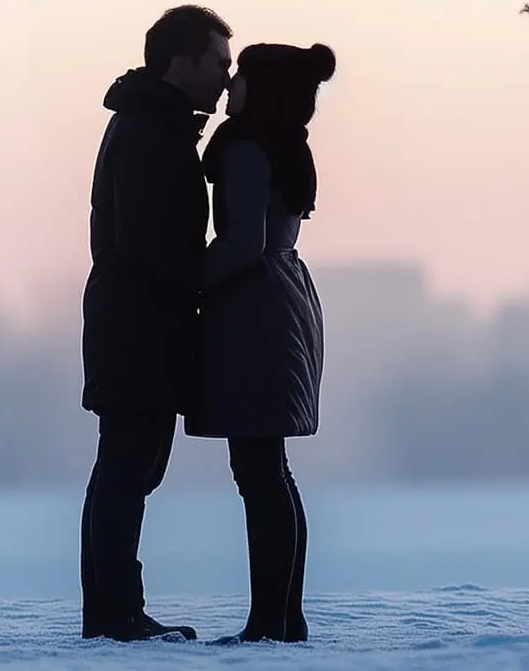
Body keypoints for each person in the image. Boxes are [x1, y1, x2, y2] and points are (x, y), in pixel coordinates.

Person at [77, 4, 231, 642]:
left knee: (129, 470)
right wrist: (217, 272)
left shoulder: (152, 124)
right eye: (218, 63)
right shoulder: (149, 132)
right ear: (182, 61)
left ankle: (117, 611)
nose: (226, 78)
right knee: (126, 471)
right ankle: (115, 615)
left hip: (139, 325)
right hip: (139, 329)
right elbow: (151, 245)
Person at [188, 42, 335, 644]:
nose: (230, 86)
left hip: (255, 312)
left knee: (258, 468)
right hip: (284, 300)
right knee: (270, 467)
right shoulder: (283, 145)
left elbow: (240, 243)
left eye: (241, 74)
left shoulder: (247, 149)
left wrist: (181, 284)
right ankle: (283, 617)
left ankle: (267, 623)